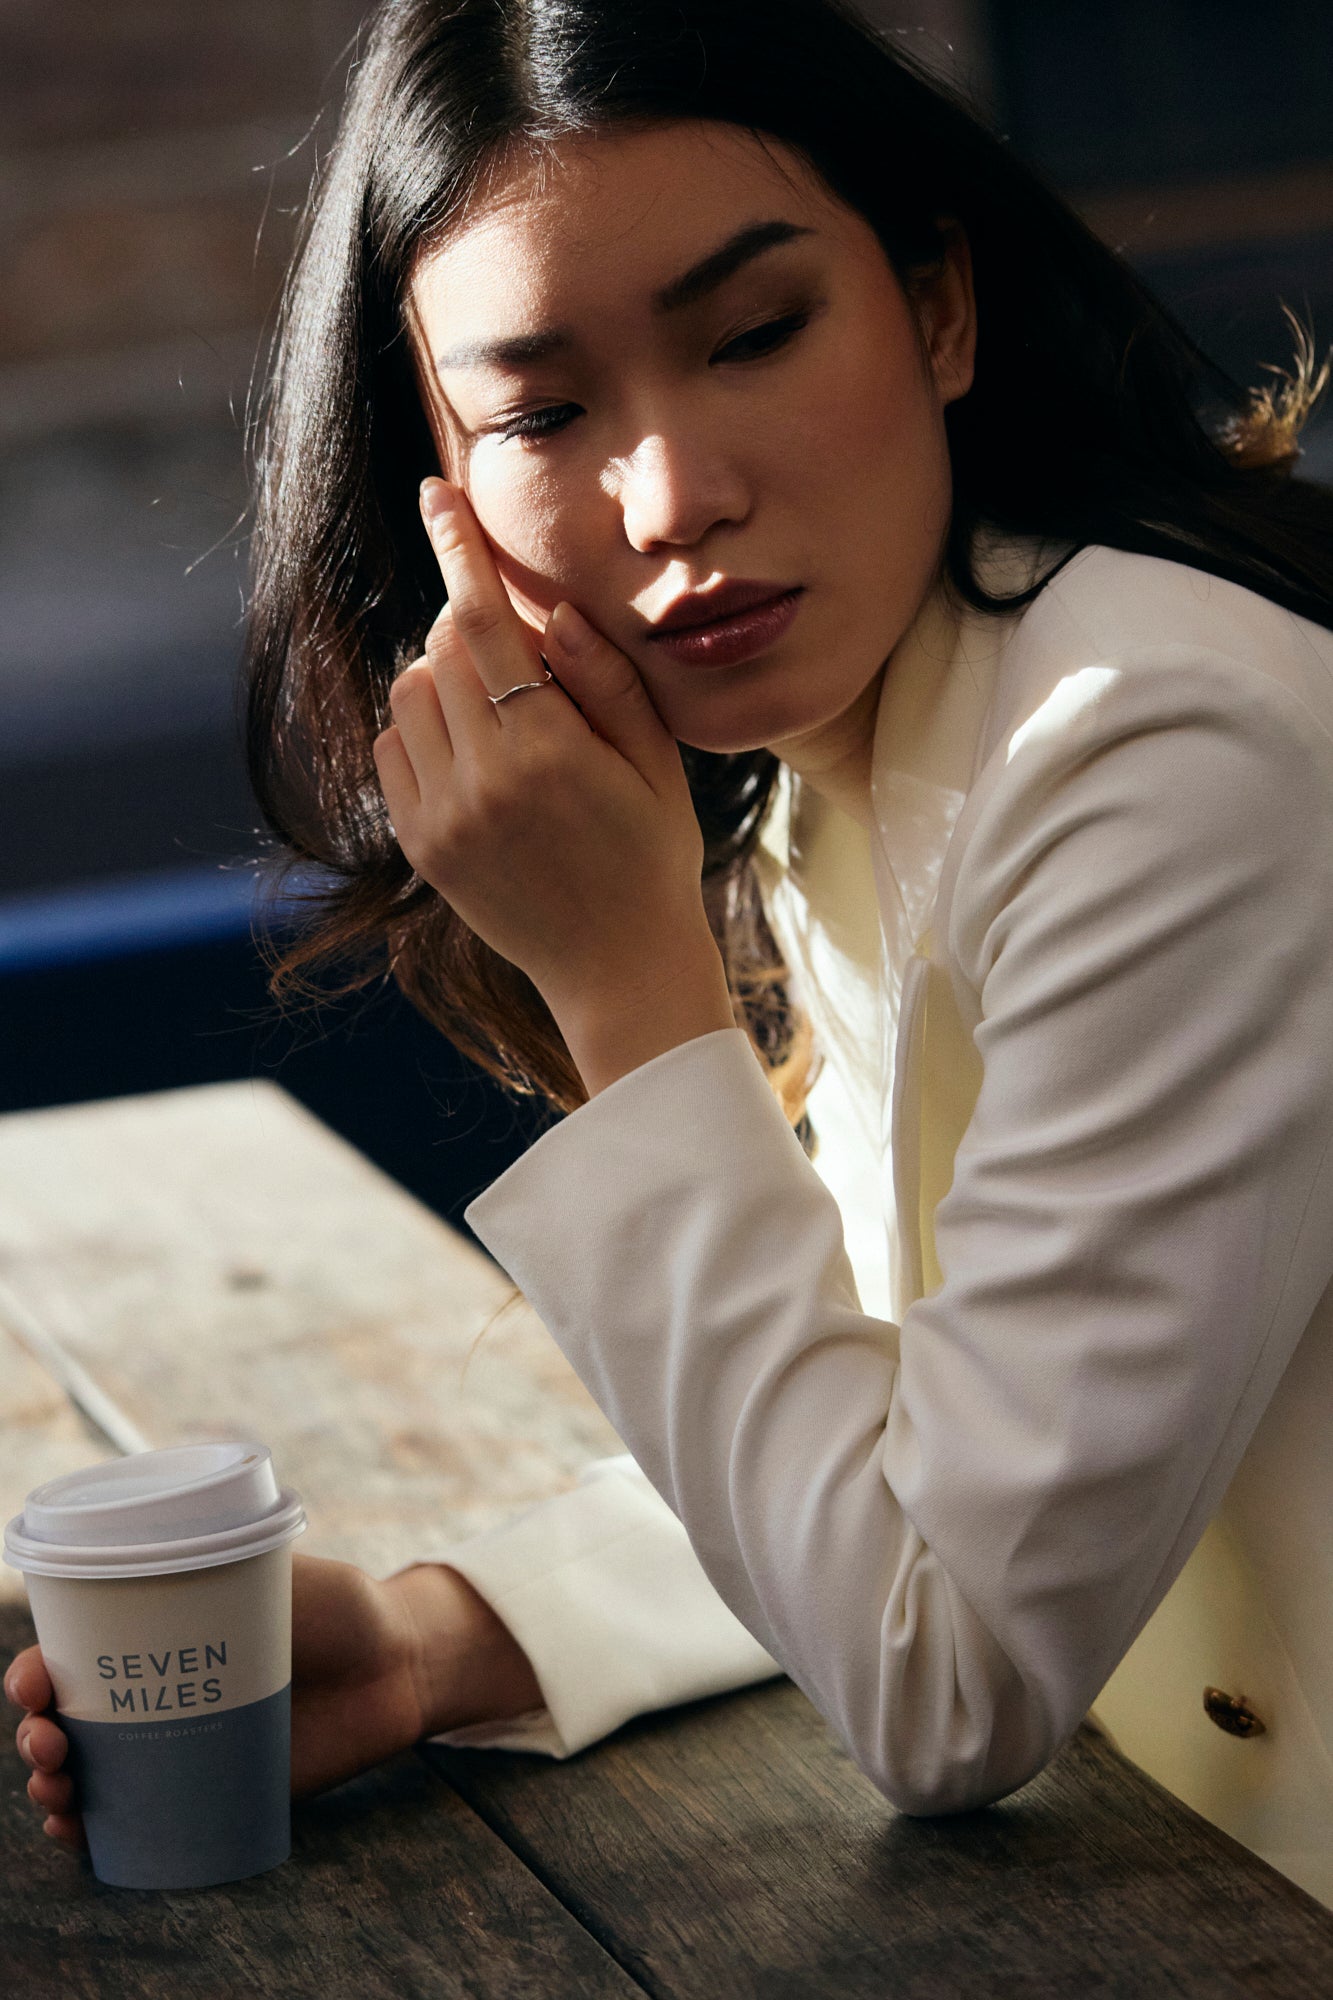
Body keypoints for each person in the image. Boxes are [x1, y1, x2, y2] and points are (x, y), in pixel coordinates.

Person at [10, 0, 1333, 1907]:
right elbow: (941, 1443)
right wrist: (452, 1636)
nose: (668, 499)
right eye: (543, 414)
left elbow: (942, 1678)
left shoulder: (1155, 748)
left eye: (757, 334)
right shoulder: (860, 741)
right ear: (442, 496)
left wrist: (629, 990)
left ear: (938, 312)